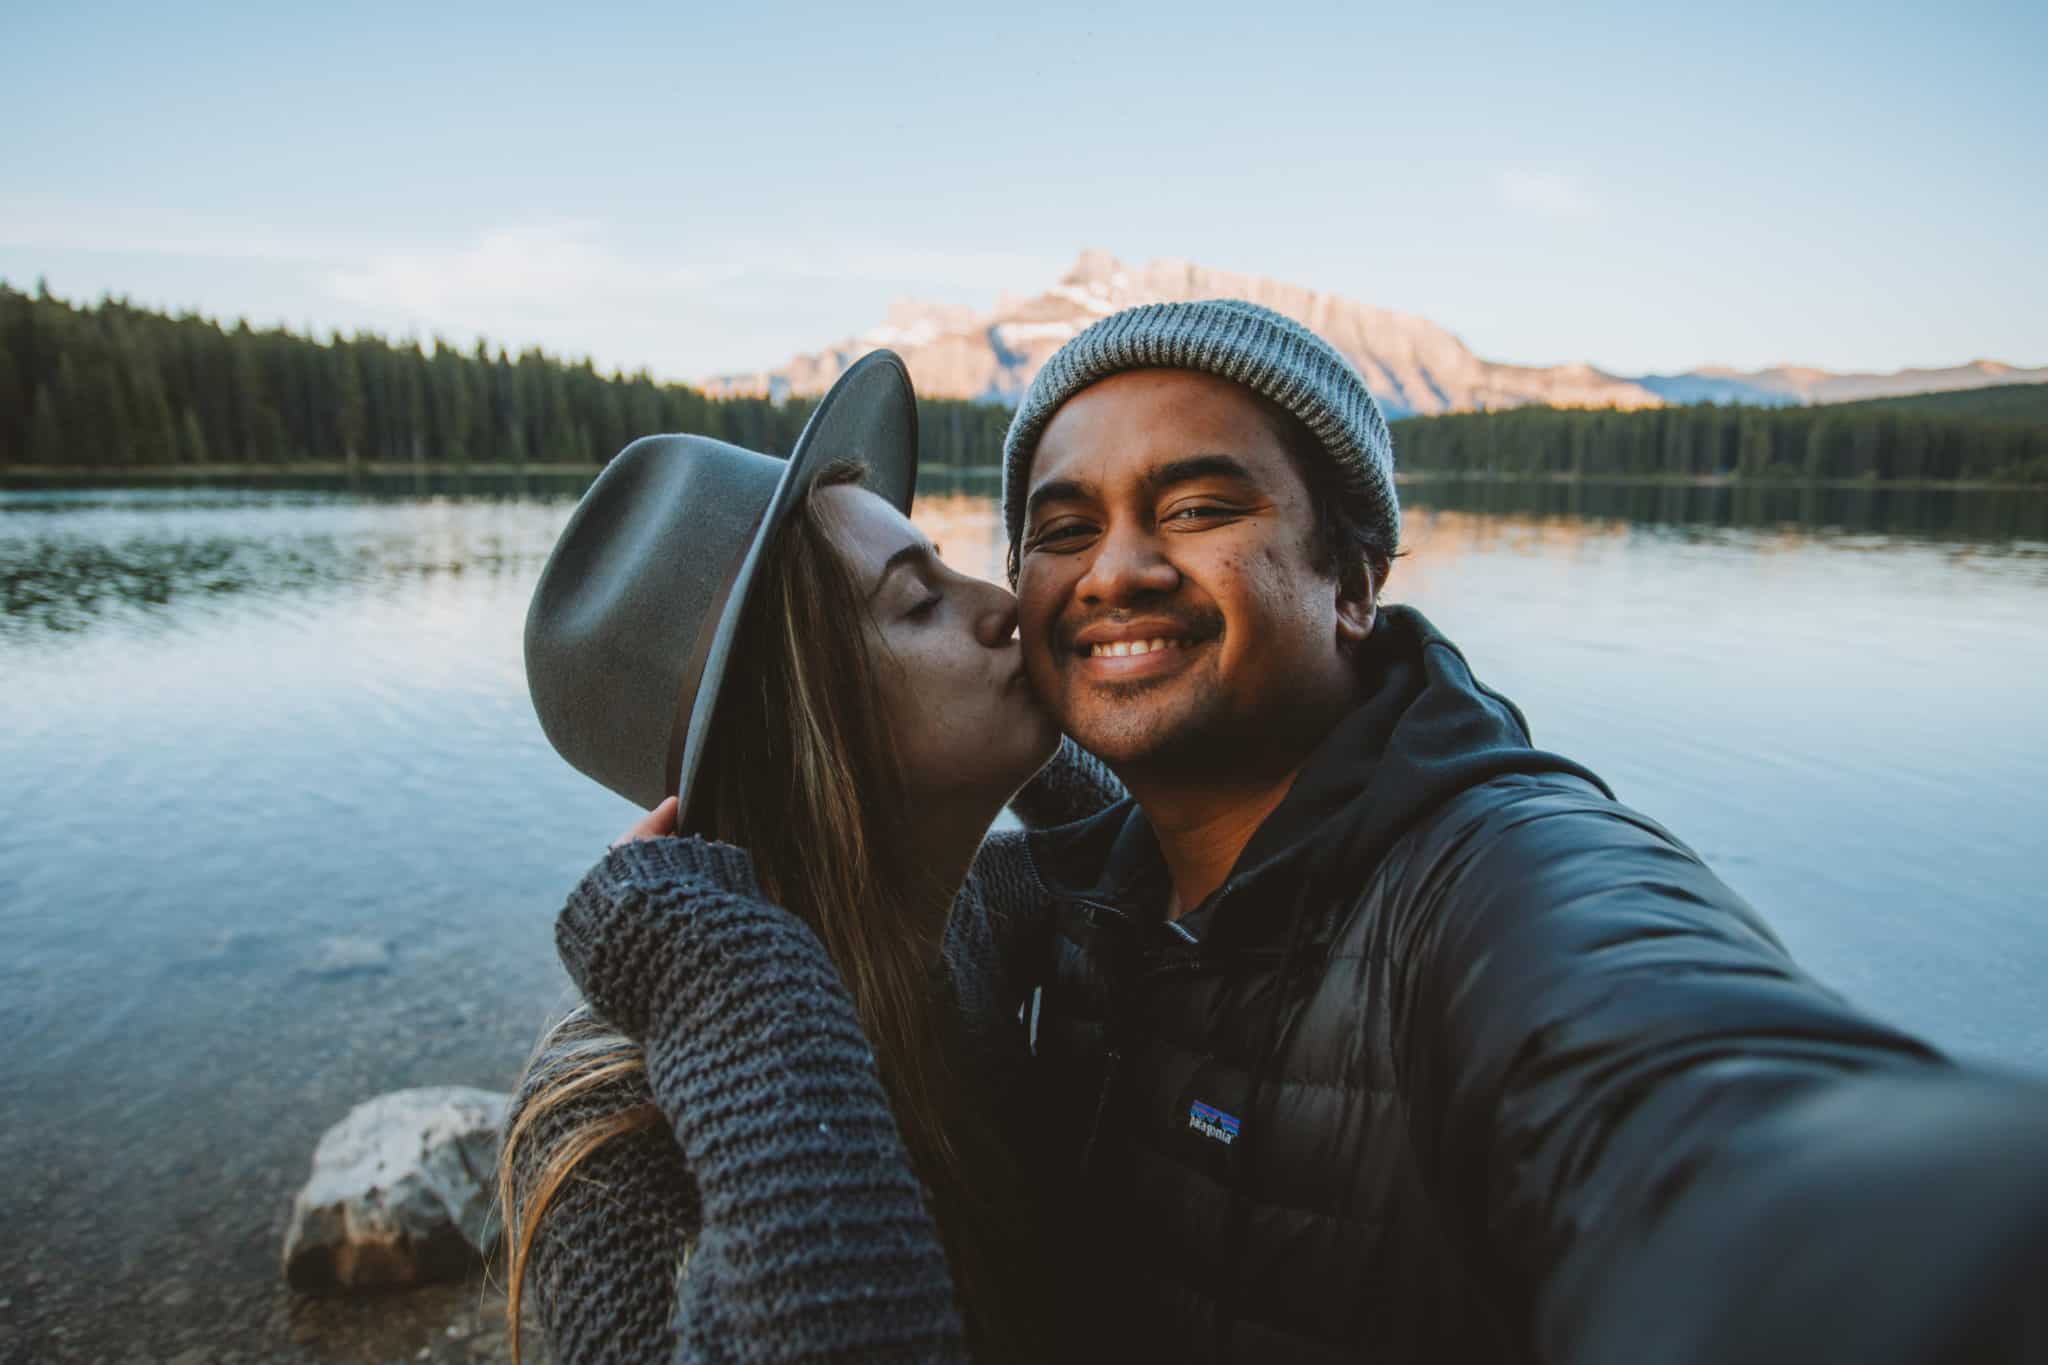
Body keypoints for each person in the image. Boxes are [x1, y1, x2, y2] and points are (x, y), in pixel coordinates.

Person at [991, 298, 2048, 1363]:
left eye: (1199, 508)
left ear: (1352, 584)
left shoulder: (1495, 879)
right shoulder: (1084, 896)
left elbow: (1686, 1094)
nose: (1114, 572)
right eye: (1064, 531)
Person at [499, 352, 1121, 1364]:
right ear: (802, 734)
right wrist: (736, 986)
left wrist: (1075, 721)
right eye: (919, 604)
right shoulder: (614, 1145)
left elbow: (1140, 874)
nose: (1006, 600)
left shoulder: (956, 921)